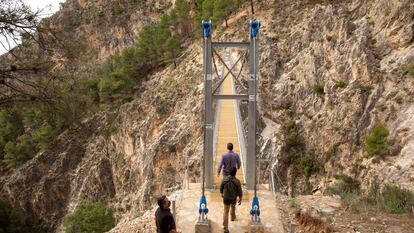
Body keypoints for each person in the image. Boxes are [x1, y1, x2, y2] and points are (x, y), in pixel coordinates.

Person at [220, 167, 243, 233]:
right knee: (233, 206)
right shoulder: (237, 181)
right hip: (233, 198)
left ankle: (225, 228)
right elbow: (240, 191)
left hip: (226, 198)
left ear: (229, 172)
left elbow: (221, 187)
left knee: (225, 211)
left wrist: (222, 193)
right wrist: (240, 198)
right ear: (235, 173)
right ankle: (232, 217)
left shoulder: (224, 179)